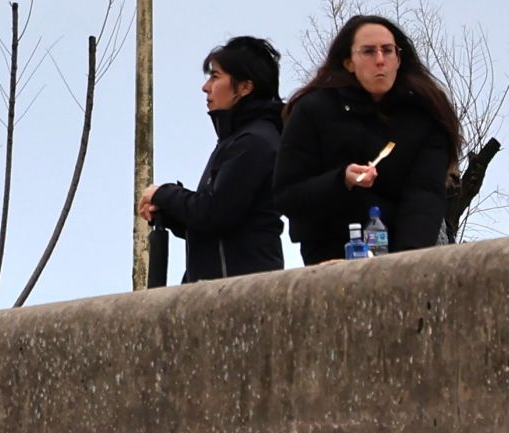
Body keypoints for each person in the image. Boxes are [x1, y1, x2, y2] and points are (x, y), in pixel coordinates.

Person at [274, 14, 460, 263]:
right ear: (349, 62)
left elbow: (424, 195)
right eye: (369, 52)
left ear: (398, 59)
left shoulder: (424, 116)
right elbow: (287, 195)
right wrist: (342, 181)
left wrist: (405, 264)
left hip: (403, 252)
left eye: (387, 51)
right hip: (330, 256)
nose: (380, 60)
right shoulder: (313, 110)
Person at [139, 36, 287, 282]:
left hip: (240, 292)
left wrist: (164, 194)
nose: (205, 87)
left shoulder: (254, 142)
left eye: (215, 77)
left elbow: (214, 213)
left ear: (245, 87)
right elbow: (221, 222)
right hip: (224, 287)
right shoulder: (238, 140)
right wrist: (170, 211)